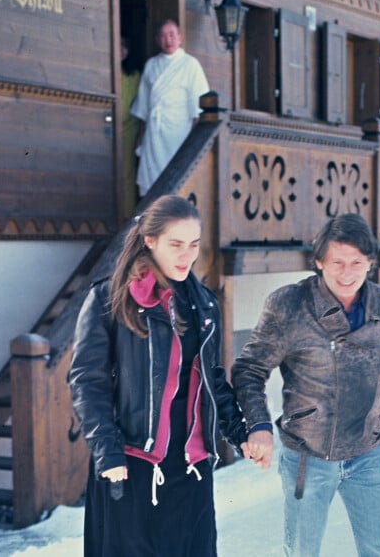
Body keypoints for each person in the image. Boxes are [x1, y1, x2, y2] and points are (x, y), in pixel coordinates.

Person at [68, 194, 250, 557]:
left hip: (191, 470)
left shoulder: (204, 303)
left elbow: (211, 379)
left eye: (194, 245)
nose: (187, 256)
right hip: (131, 466)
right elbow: (88, 383)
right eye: (176, 244)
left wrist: (239, 431)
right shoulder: (110, 299)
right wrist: (108, 453)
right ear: (150, 241)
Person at [231, 213, 380, 557]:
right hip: (308, 455)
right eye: (337, 262)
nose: (347, 273)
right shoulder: (289, 305)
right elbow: (249, 369)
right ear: (319, 262)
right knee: (303, 551)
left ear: (370, 263)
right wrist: (257, 425)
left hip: (368, 452)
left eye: (356, 263)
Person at [130, 19, 210, 198]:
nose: (168, 40)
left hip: (178, 132)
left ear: (180, 38)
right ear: (158, 40)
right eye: (163, 36)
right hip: (154, 135)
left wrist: (192, 141)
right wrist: (140, 139)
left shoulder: (190, 65)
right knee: (151, 181)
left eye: (172, 35)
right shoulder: (151, 65)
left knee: (177, 182)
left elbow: (198, 107)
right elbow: (144, 106)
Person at [120, 35, 141, 219]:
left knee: (127, 174)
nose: (121, 50)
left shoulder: (134, 76)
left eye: (124, 46)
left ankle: (127, 219)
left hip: (129, 129)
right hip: (109, 126)